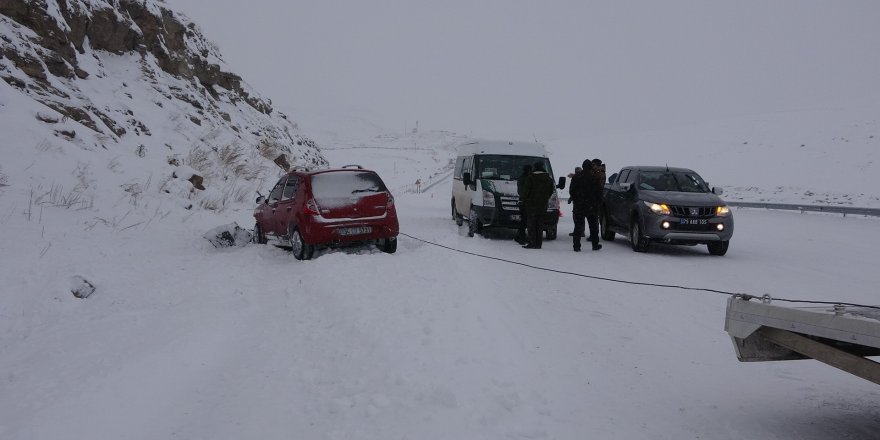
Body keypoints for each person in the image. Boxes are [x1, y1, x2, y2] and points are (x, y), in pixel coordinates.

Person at [571, 159, 605, 251]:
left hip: (579, 205)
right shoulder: (595, 177)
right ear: (590, 167)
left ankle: (576, 246)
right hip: (592, 206)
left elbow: (572, 191)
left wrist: (576, 200)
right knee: (593, 227)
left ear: (582, 166)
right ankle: (595, 244)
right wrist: (598, 203)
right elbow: (599, 192)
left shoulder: (576, 177)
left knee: (578, 226)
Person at [521, 162, 555, 249]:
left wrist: (524, 200)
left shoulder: (531, 178)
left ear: (534, 168)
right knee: (540, 225)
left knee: (531, 225)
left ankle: (532, 242)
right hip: (543, 205)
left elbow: (525, 192)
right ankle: (538, 244)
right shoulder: (548, 179)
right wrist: (545, 198)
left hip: (531, 205)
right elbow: (550, 191)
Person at [514, 164, 533, 244]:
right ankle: (521, 236)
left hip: (523, 201)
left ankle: (521, 235)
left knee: (524, 220)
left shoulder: (521, 178)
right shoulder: (528, 178)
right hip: (527, 202)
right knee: (526, 220)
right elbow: (521, 191)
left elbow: (520, 191)